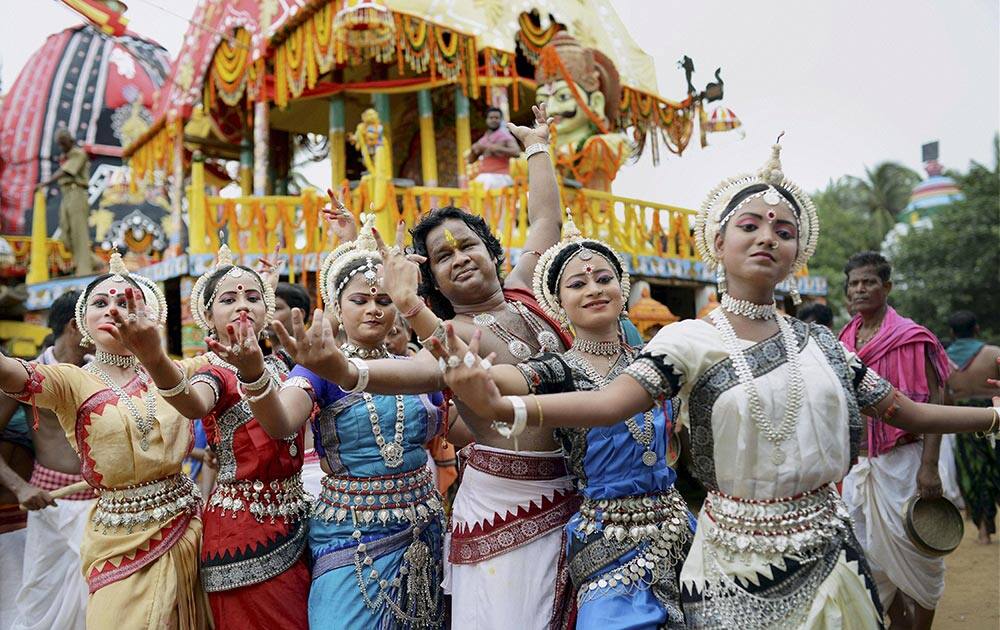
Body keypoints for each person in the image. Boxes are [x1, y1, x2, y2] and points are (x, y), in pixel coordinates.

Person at [427, 140, 1000, 629]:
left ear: (799, 252)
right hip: (733, 556)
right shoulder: (686, 341)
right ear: (717, 244)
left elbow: (905, 410)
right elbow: (603, 405)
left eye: (783, 230)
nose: (767, 238)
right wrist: (491, 396)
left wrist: (993, 417)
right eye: (749, 226)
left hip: (828, 551)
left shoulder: (824, 343)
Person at [275, 105, 576, 629]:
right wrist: (346, 373)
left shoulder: (529, 293)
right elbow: (414, 373)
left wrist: (538, 148)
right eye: (442, 256)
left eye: (470, 245)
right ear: (431, 279)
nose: (460, 257)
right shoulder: (450, 336)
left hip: (574, 491)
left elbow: (546, 221)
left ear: (494, 253)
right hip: (502, 504)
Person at [439, 216, 694, 628]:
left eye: (603, 278)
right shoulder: (557, 369)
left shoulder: (655, 358)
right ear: (559, 303)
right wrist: (474, 375)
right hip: (607, 544)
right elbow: (509, 379)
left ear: (621, 288)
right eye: (577, 285)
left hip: (679, 531)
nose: (593, 289)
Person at [241, 217, 447, 628]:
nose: (373, 309)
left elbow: (458, 431)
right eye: (360, 301)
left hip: (423, 525)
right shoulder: (321, 369)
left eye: (384, 301)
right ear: (337, 307)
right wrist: (253, 375)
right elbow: (282, 423)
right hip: (351, 533)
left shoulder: (418, 369)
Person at [0, 252, 210, 629]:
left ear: (153, 317)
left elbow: (234, 368)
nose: (113, 309)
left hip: (186, 527)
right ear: (82, 323)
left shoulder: (181, 371)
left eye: (127, 301)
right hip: (115, 536)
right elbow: (14, 375)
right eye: (100, 303)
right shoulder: (70, 380)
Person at [112, 243, 309, 629]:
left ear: (267, 309)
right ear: (207, 315)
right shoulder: (215, 373)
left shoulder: (284, 366)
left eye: (253, 298)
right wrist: (154, 359)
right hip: (241, 528)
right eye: (228, 299)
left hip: (297, 519)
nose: (242, 305)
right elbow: (194, 404)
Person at [838, 251, 952, 629]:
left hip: (906, 464)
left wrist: (929, 466)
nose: (860, 289)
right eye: (854, 283)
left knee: (919, 558)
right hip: (861, 467)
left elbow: (940, 401)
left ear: (886, 287)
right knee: (867, 561)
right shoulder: (843, 340)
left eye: (868, 282)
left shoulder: (913, 337)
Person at [0, 292, 94, 630]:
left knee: (100, 608)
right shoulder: (25, 375)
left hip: (104, 510)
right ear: (75, 326)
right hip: (49, 510)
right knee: (41, 609)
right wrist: (20, 486)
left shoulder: (107, 373)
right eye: (96, 314)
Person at [945, 310, 1000, 544]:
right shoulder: (993, 353)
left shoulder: (944, 360)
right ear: (976, 328)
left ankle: (983, 531)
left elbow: (945, 399)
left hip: (964, 419)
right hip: (995, 415)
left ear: (951, 333)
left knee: (973, 473)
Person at [35, 129, 93, 277]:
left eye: (62, 144)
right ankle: (94, 262)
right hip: (66, 195)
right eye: (59, 145)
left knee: (79, 233)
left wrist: (45, 183)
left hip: (77, 194)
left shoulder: (79, 154)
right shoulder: (66, 157)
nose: (61, 147)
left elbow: (66, 172)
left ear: (70, 141)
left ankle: (84, 271)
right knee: (66, 236)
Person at [468, 107, 520, 190]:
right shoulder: (483, 140)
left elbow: (517, 152)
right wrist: (473, 150)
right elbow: (470, 161)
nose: (494, 120)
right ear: (486, 120)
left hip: (500, 177)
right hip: (483, 177)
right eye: (491, 118)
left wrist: (494, 148)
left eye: (497, 118)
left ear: (501, 120)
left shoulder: (506, 136)